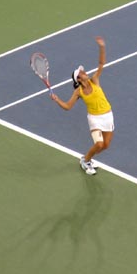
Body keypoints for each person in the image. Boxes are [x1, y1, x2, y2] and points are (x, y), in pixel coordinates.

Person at [50, 37, 114, 176]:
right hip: (95, 119)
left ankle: (87, 159)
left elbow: (101, 63)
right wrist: (57, 99)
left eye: (83, 71)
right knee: (99, 144)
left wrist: (102, 47)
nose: (84, 72)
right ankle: (85, 160)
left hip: (108, 116)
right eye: (81, 73)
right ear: (78, 79)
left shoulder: (94, 80)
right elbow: (67, 106)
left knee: (106, 145)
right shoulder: (78, 92)